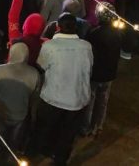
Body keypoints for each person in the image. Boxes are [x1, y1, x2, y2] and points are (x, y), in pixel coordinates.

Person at [34, 12, 93, 166]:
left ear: (57, 27)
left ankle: (43, 150)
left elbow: (41, 66)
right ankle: (60, 159)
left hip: (53, 97)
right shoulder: (86, 47)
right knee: (68, 133)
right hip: (78, 99)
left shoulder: (50, 46)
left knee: (46, 127)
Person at [0, 42, 39, 154]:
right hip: (20, 114)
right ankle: (8, 153)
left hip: (0, 110)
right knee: (12, 139)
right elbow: (34, 97)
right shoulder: (35, 74)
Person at [81, 3, 122, 137]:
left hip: (95, 73)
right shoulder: (118, 34)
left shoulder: (94, 33)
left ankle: (86, 127)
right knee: (103, 101)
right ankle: (98, 126)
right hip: (109, 74)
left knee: (90, 100)